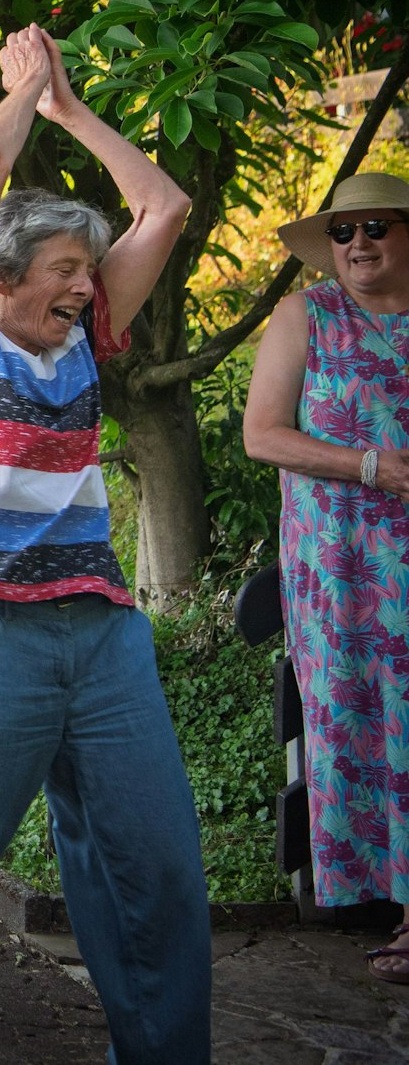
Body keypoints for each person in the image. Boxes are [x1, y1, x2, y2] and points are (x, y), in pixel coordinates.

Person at [0, 26, 206, 1062]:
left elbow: (162, 206)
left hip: (103, 638)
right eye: (62, 269)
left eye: (89, 268)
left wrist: (71, 110)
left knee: (157, 871)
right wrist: (20, 94)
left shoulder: (86, 336)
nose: (83, 286)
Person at [244, 169, 409, 983]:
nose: (357, 245)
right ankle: (388, 898)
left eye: (375, 226)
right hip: (340, 568)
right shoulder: (304, 315)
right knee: (358, 721)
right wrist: (371, 465)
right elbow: (263, 435)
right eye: (343, 233)